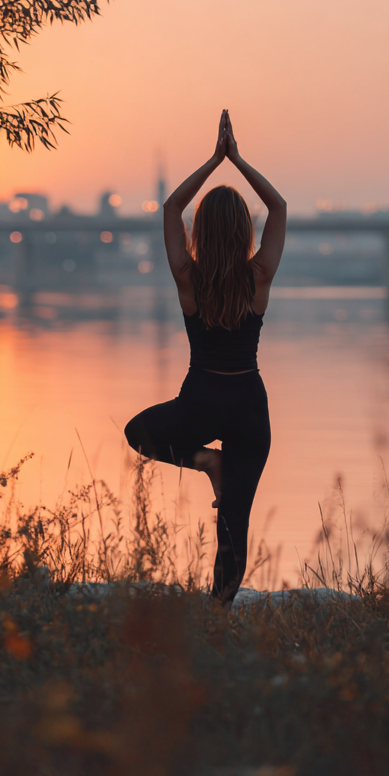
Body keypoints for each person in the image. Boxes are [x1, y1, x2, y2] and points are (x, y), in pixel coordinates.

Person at [124, 110, 287, 611]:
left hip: (201, 398)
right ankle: (218, 612)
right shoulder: (258, 275)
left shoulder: (187, 278)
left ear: (203, 229)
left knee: (138, 433)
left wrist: (213, 161)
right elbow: (278, 207)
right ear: (243, 231)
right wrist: (236, 160)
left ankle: (206, 462)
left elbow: (172, 206)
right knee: (233, 522)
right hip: (247, 405)